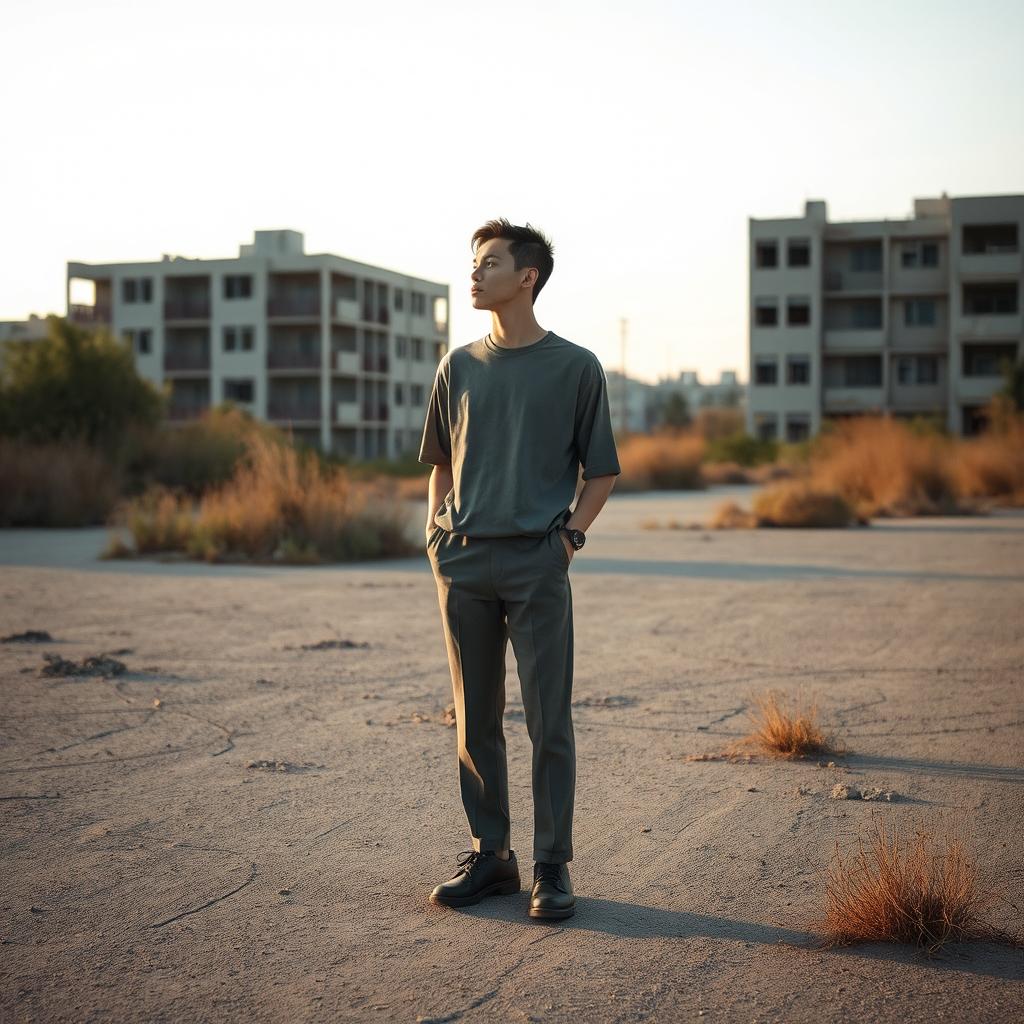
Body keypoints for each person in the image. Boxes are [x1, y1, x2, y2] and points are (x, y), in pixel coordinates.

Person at [418, 217, 620, 920]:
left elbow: (601, 472)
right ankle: (492, 856)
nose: (475, 274)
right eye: (474, 263)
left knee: (547, 721)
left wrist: (568, 540)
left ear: (527, 277)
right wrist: (435, 533)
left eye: (490, 263)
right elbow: (441, 462)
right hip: (463, 560)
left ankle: (551, 866)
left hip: (538, 563)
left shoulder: (576, 367)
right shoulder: (457, 366)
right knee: (474, 717)